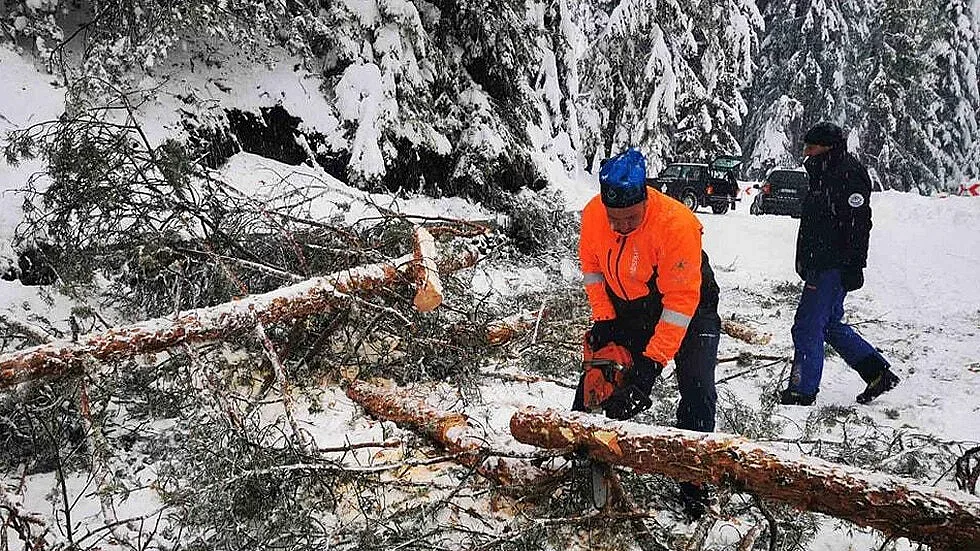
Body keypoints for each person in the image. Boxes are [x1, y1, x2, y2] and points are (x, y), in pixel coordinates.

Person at [573, 147, 721, 518]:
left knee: (697, 388)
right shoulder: (593, 215)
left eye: (630, 219)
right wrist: (604, 318)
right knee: (599, 371)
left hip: (689, 308)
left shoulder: (676, 225)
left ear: (645, 199)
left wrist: (650, 366)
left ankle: (694, 482)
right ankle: (581, 451)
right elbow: (592, 268)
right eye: (615, 220)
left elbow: (679, 304)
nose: (621, 226)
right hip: (631, 305)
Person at [780, 122, 900, 406]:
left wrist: (854, 265)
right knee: (829, 323)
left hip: (832, 265)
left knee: (807, 326)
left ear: (827, 148)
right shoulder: (822, 173)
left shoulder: (847, 174)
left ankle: (801, 392)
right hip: (818, 263)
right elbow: (814, 223)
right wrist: (803, 260)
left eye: (812, 147)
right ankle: (876, 372)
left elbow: (859, 224)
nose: (806, 152)